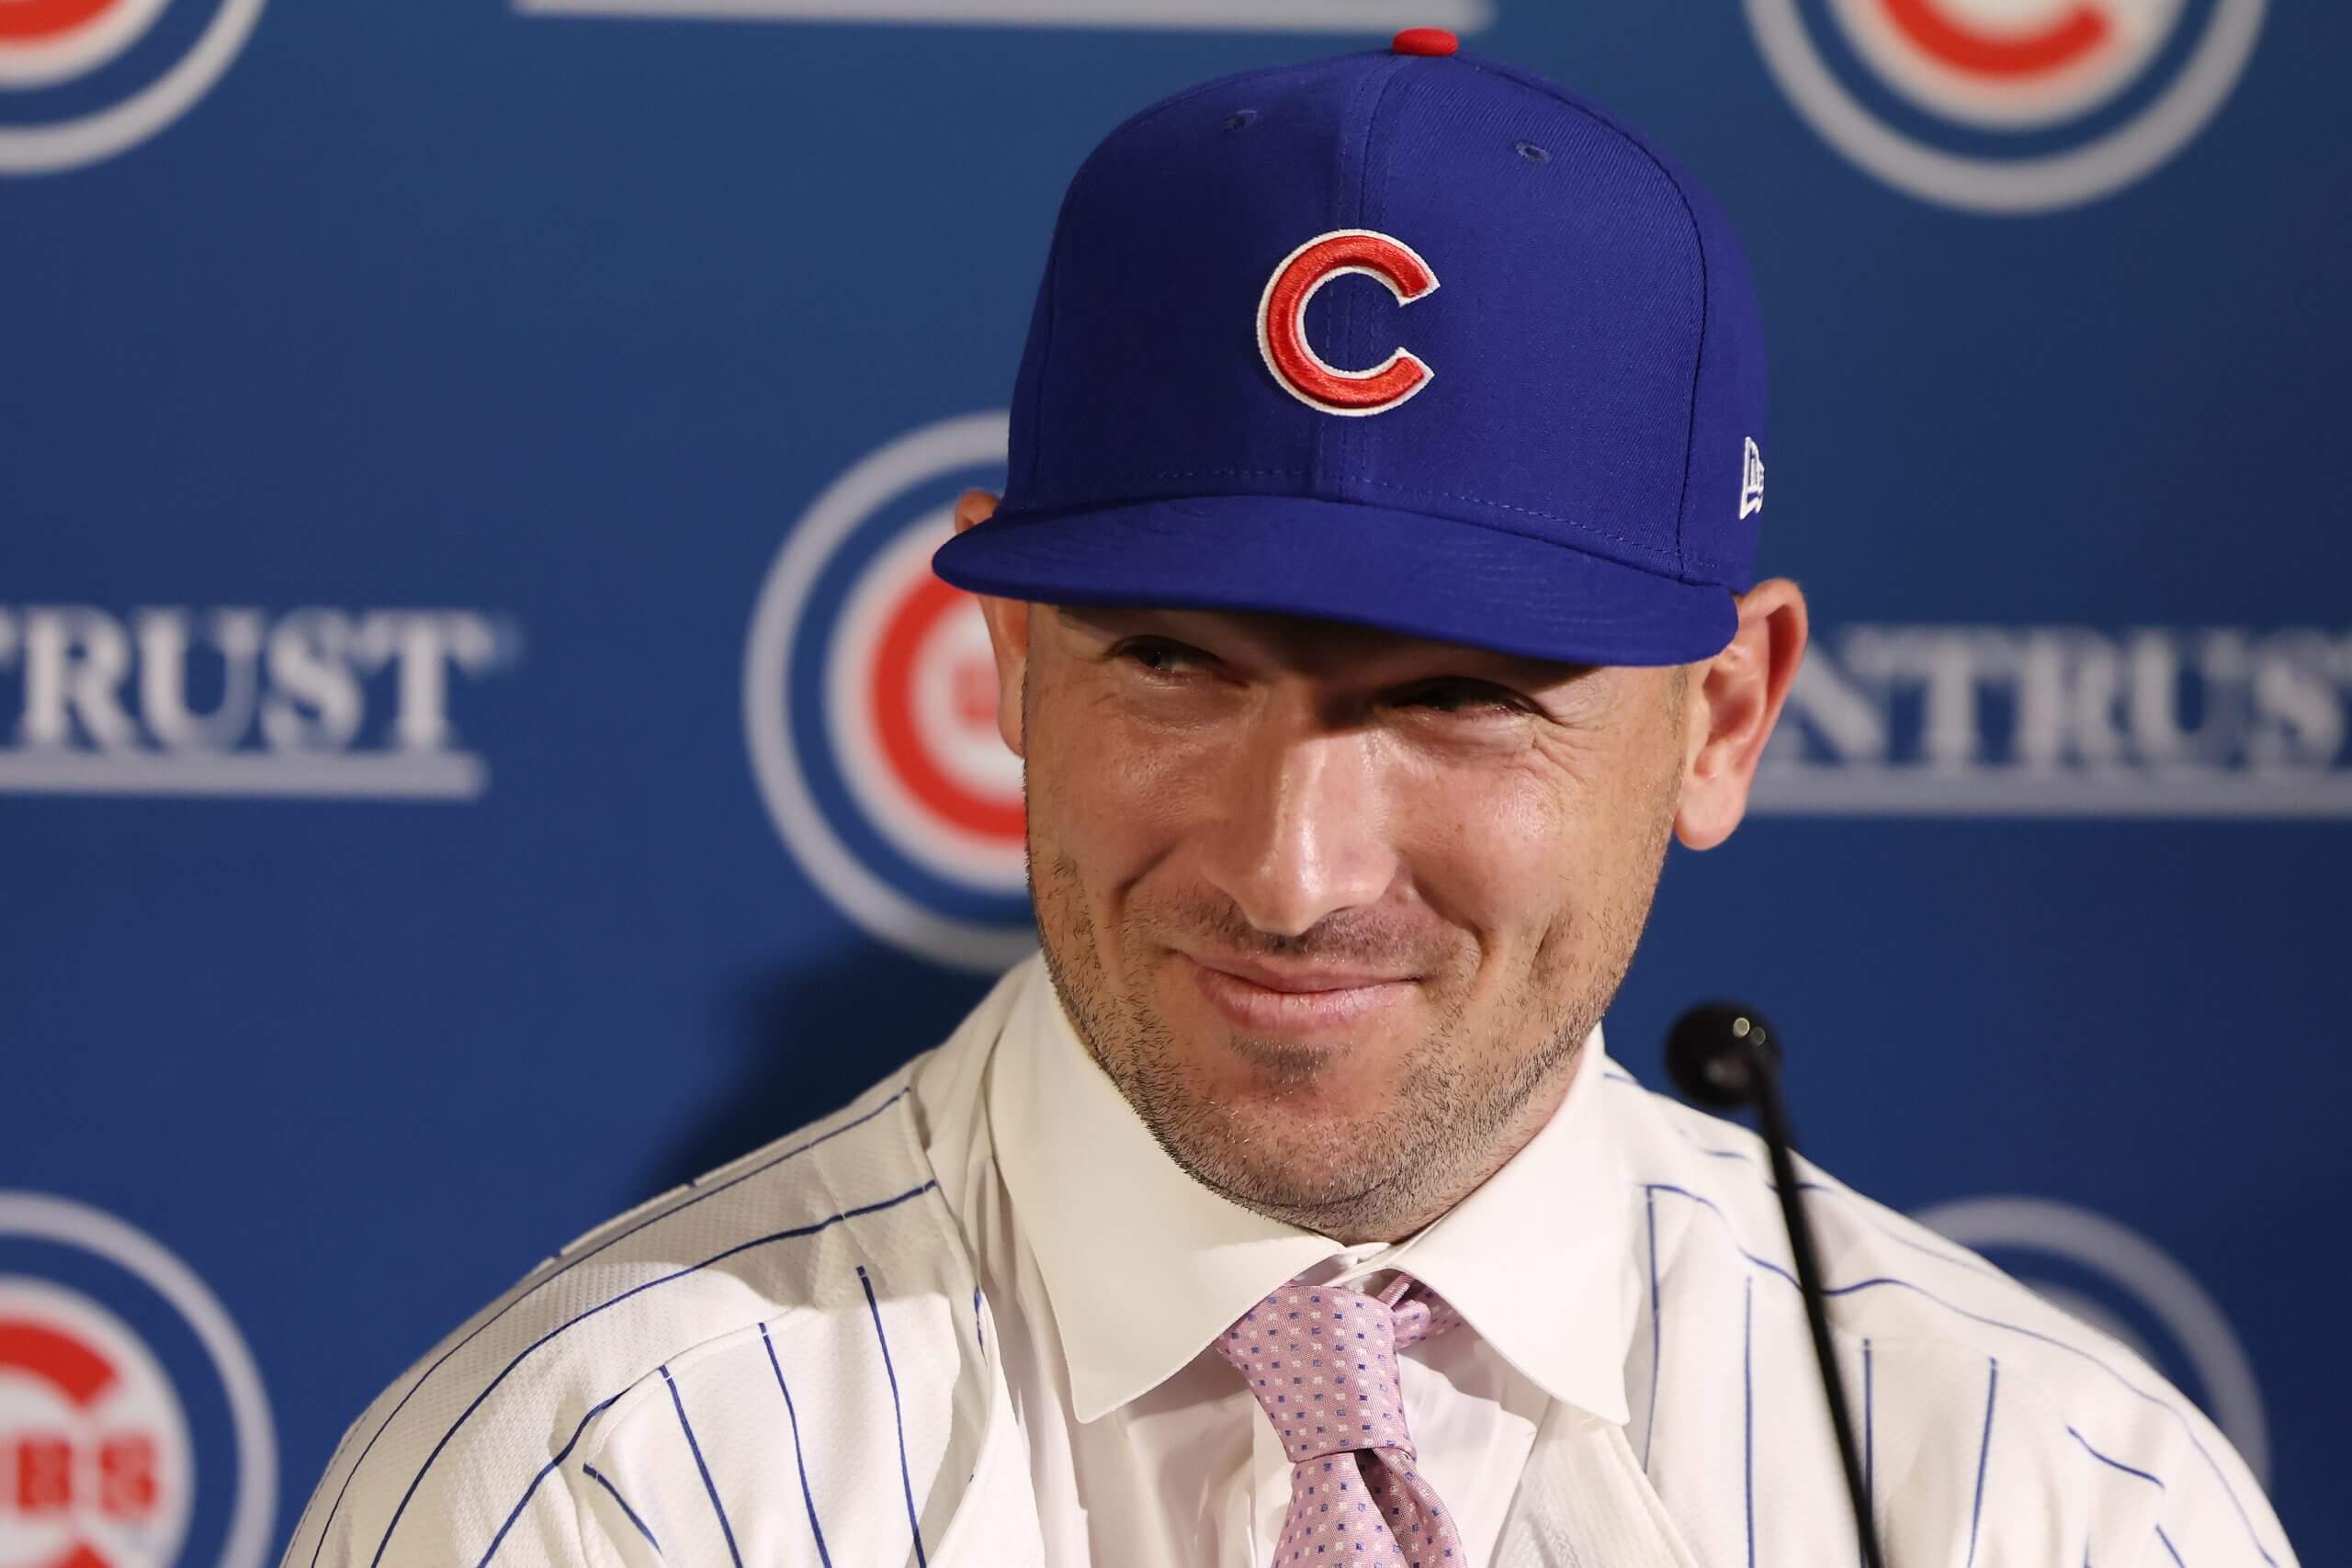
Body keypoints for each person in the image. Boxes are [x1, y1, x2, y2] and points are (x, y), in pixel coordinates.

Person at [284, 30, 2295, 1568]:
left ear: (1721, 718)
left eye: (1454, 697)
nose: (1286, 870)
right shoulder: (615, 1482)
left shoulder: (2032, 1496)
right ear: (1003, 661)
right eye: (1171, 664)